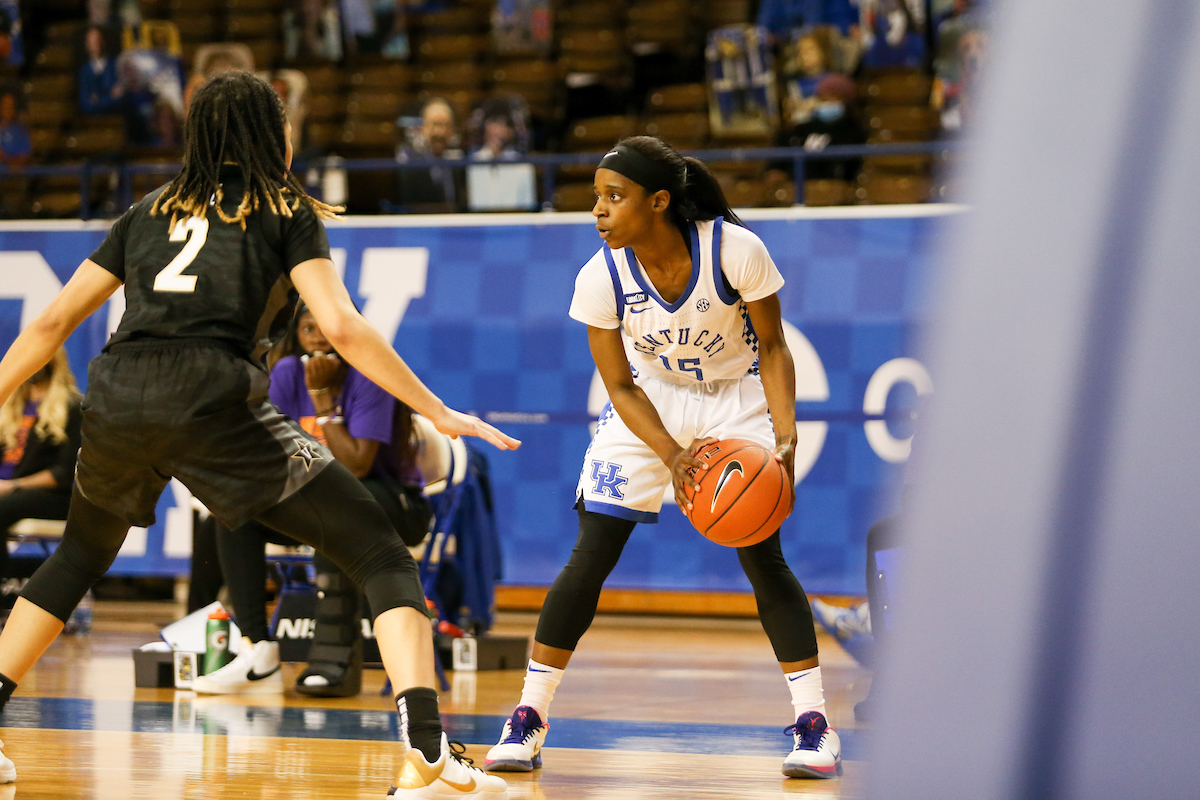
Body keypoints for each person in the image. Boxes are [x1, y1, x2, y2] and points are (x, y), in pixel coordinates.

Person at [0, 72, 515, 799]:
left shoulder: (147, 211)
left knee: (79, 555)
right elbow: (340, 325)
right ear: (273, 135)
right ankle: (428, 753)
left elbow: (52, 325)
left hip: (118, 392)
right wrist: (436, 409)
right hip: (210, 392)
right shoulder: (283, 210)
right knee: (376, 549)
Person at [484, 136, 841, 780]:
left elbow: (775, 346)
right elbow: (619, 385)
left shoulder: (736, 250)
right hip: (648, 403)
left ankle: (814, 725)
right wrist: (673, 455)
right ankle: (528, 717)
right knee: (591, 554)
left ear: (658, 202)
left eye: (613, 197)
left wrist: (785, 437)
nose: (598, 210)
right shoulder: (600, 275)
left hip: (733, 398)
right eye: (596, 198)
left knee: (763, 556)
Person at [195, 304, 431, 698]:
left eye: (325, 327)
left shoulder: (371, 373)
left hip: (395, 503)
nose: (318, 337)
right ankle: (258, 652)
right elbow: (269, 453)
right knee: (234, 508)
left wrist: (321, 398)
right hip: (321, 498)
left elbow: (356, 466)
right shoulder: (287, 372)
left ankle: (331, 657)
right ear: (297, 336)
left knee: (338, 506)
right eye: (308, 329)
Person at [0, 349, 82, 584]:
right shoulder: (12, 406)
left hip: (51, 497)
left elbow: (62, 475)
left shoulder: (72, 407)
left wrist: (11, 486)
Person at [395, 98, 464, 213]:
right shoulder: (411, 165)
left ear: (452, 130)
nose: (440, 132)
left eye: (445, 125)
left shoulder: (460, 163)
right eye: (435, 125)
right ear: (423, 128)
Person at [79, 26, 120, 115]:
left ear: (103, 42)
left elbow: (119, 99)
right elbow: (86, 104)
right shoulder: (84, 71)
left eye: (98, 41)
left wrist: (98, 100)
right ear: (87, 45)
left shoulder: (116, 66)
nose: (96, 45)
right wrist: (110, 98)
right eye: (92, 42)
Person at [0, 88, 30, 170]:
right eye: (5, 105)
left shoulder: (21, 131)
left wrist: (8, 161)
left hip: (11, 180)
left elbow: (24, 157)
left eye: (10, 106)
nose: (7, 109)